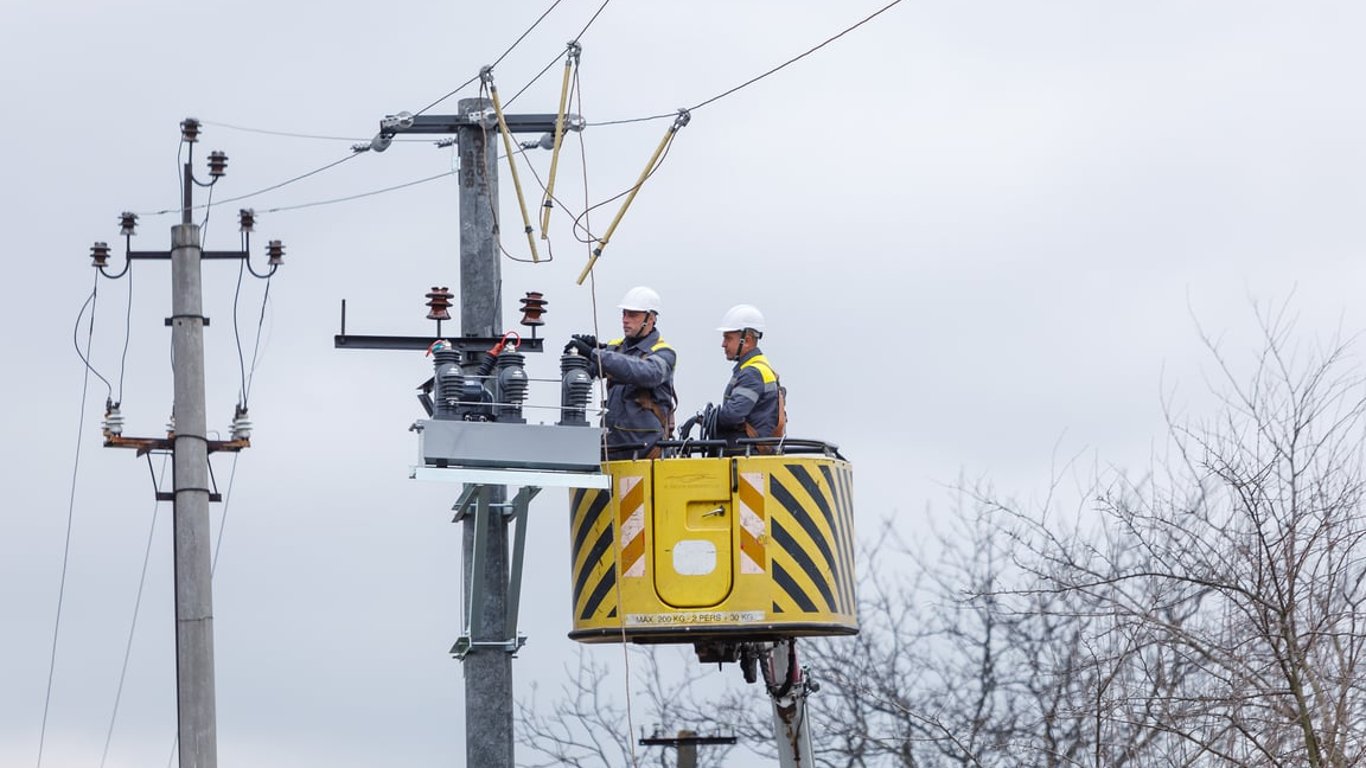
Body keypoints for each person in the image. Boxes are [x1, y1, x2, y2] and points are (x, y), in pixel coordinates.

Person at [565, 286, 678, 459]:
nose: (625, 320)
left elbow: (645, 373)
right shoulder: (615, 348)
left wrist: (594, 353)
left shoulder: (664, 353)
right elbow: (594, 369)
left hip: (645, 453)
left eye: (632, 315)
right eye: (624, 314)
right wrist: (579, 357)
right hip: (612, 449)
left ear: (651, 318)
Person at [714, 304, 785, 451]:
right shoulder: (759, 368)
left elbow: (733, 415)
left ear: (746, 340)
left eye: (728, 338)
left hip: (748, 452)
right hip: (752, 451)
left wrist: (711, 418)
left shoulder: (752, 373)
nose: (723, 344)